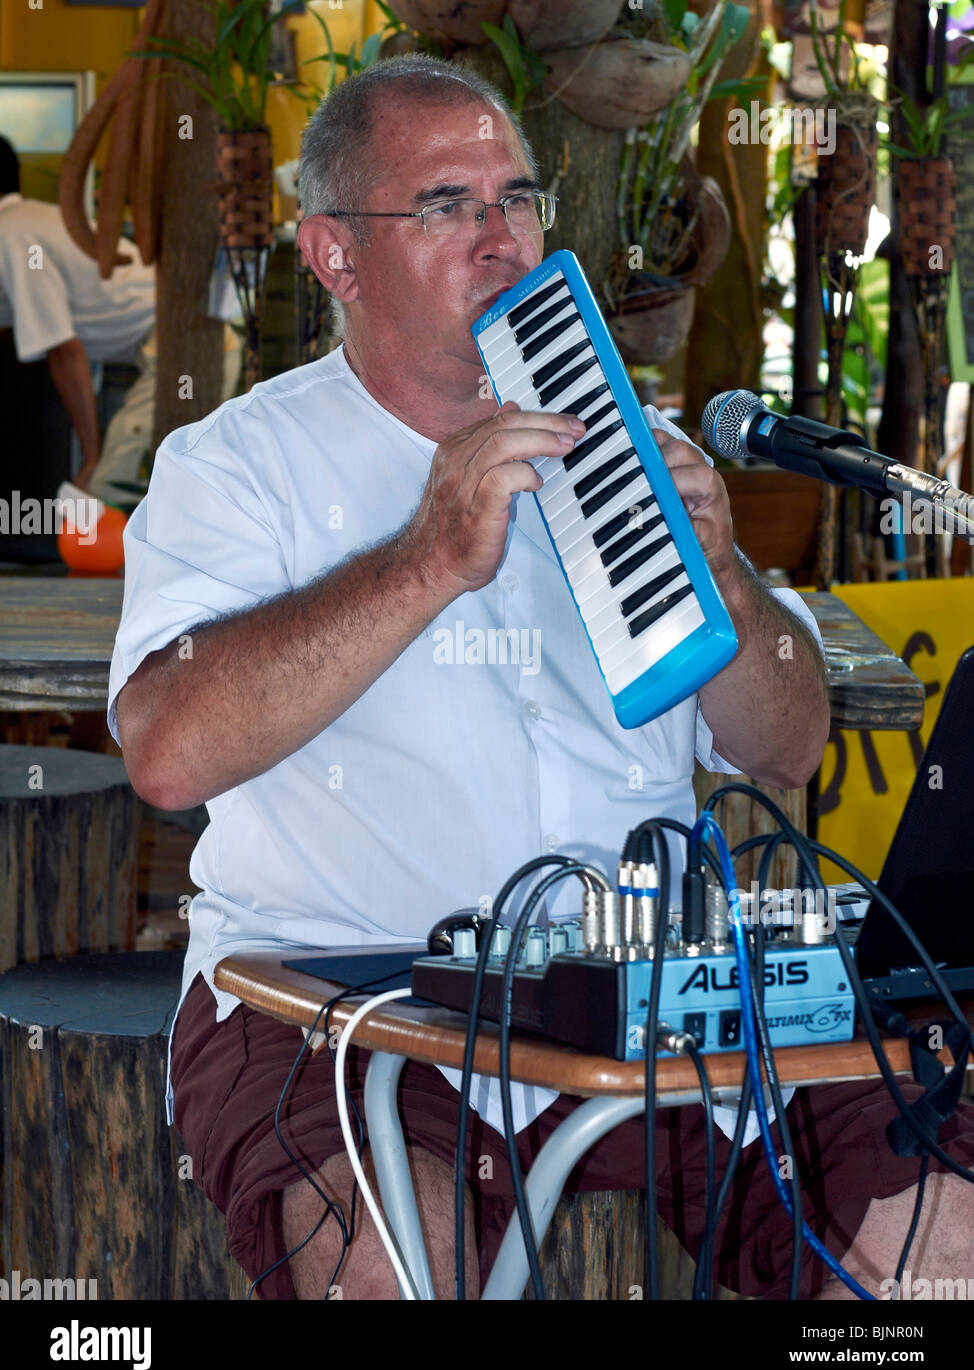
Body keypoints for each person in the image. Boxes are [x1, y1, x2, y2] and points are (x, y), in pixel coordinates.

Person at [109, 57, 974, 1300]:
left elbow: (787, 750)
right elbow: (167, 751)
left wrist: (726, 579)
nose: (498, 235)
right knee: (387, 1273)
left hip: (652, 998)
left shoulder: (632, 443)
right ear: (333, 255)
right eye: (446, 205)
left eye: (516, 199)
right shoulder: (237, 467)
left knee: (938, 1250)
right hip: (338, 991)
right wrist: (421, 563)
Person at [0, 134, 155, 505]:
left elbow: (64, 350)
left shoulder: (14, 235)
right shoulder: (27, 221)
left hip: (177, 340)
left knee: (103, 485)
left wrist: (90, 457)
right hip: (147, 343)